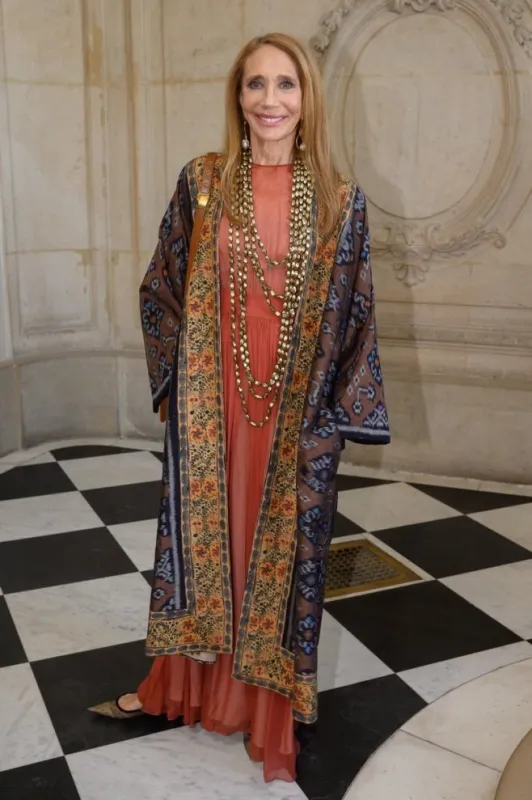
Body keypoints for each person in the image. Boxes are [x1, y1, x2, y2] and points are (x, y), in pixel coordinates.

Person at [90, 32, 390, 782]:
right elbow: (162, 282)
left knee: (278, 558)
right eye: (255, 85)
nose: (269, 101)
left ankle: (267, 712)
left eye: (285, 85)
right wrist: (176, 388)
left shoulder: (339, 198)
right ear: (237, 97)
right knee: (206, 548)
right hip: (212, 406)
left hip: (291, 414)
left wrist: (334, 417)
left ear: (306, 98)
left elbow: (356, 313)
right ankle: (186, 687)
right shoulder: (203, 180)